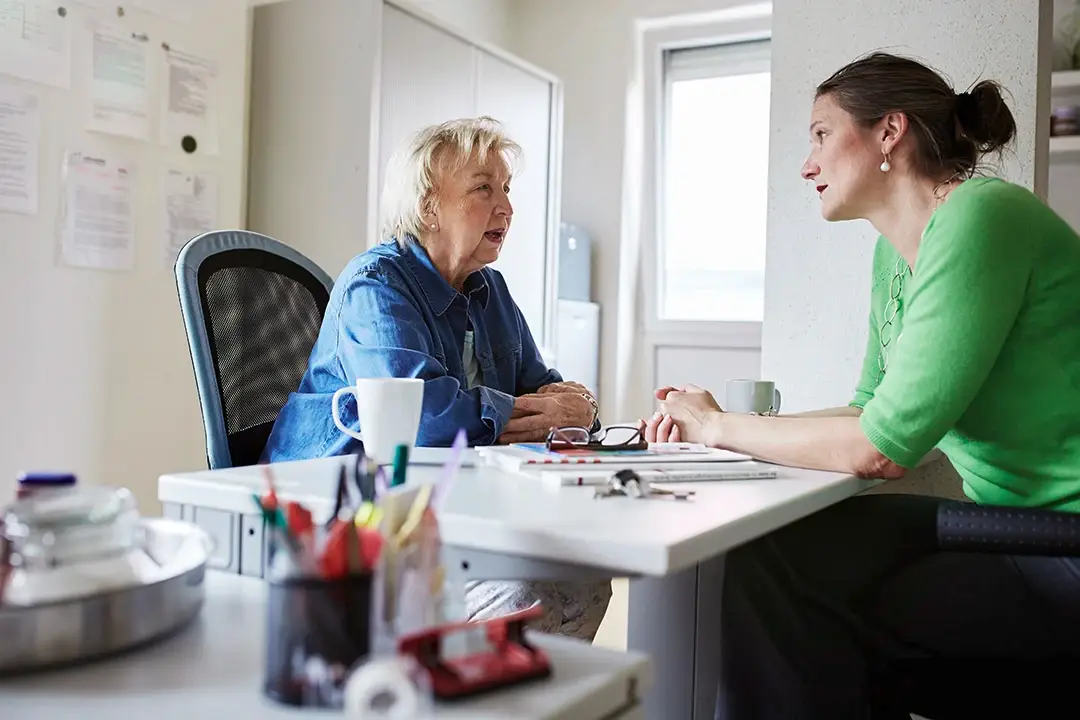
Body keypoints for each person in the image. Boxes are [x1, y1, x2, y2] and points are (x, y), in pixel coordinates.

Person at [644, 52, 1080, 718]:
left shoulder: (983, 217)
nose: (807, 164)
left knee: (809, 598)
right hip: (1012, 527)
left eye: (821, 134)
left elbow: (882, 448)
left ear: (889, 133)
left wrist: (719, 429)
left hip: (1060, 541)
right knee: (768, 554)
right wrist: (719, 423)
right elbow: (869, 409)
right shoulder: (894, 253)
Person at [263, 116, 611, 639]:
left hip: (437, 505)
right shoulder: (374, 287)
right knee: (526, 593)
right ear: (428, 206)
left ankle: (486, 679)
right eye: (483, 188)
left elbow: (545, 395)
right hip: (344, 519)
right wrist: (526, 413)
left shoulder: (490, 290)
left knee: (583, 578)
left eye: (507, 189)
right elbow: (421, 420)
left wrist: (579, 409)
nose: (507, 207)